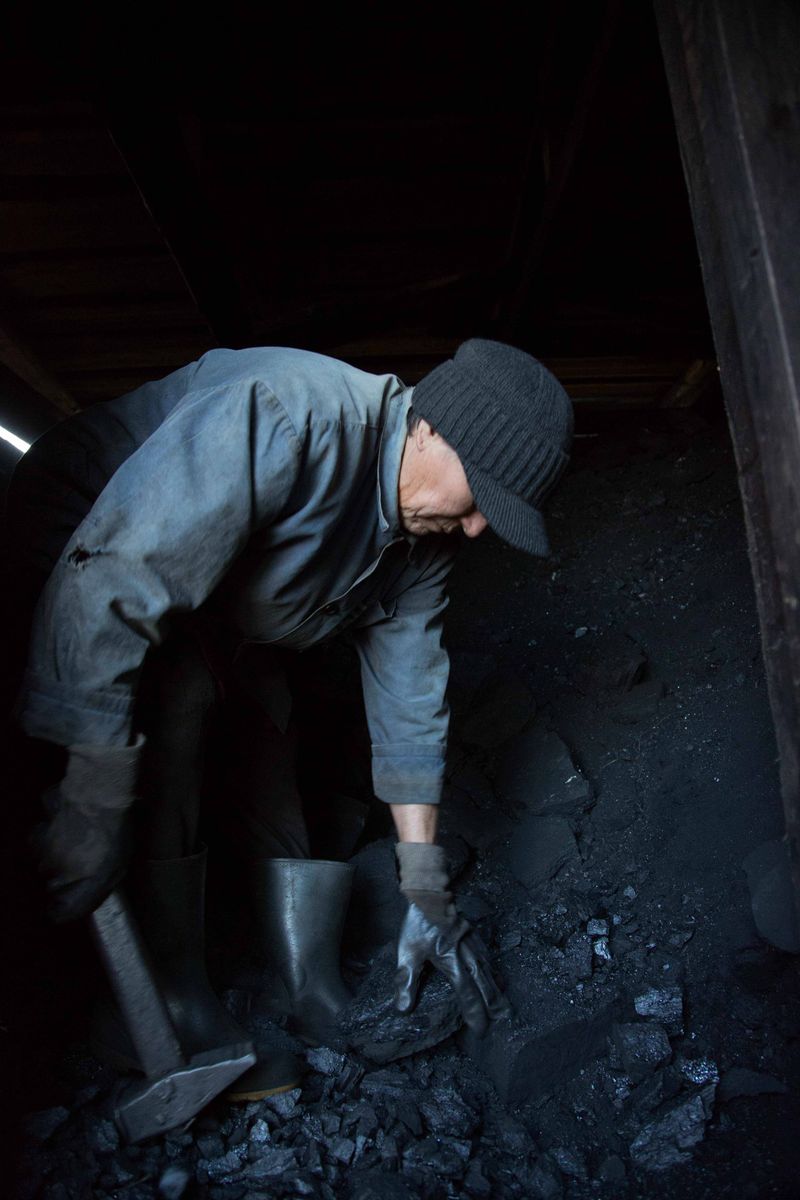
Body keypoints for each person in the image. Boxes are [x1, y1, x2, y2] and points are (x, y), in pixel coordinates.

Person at [6, 338, 573, 1099]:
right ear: (433, 429)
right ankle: (158, 999)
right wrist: (91, 794)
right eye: (482, 498)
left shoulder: (420, 547)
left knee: (269, 716)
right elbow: (116, 576)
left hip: (217, 596)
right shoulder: (288, 416)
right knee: (179, 701)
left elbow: (409, 699)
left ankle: (301, 975)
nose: (477, 529)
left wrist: (424, 884)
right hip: (92, 535)